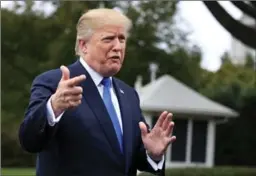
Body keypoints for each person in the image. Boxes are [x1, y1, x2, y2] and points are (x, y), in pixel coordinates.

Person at [19, 8, 176, 176]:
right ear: (83, 45)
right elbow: (30, 141)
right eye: (109, 39)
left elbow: (128, 158)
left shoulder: (129, 94)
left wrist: (153, 154)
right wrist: (53, 107)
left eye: (122, 39)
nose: (118, 47)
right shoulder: (55, 83)